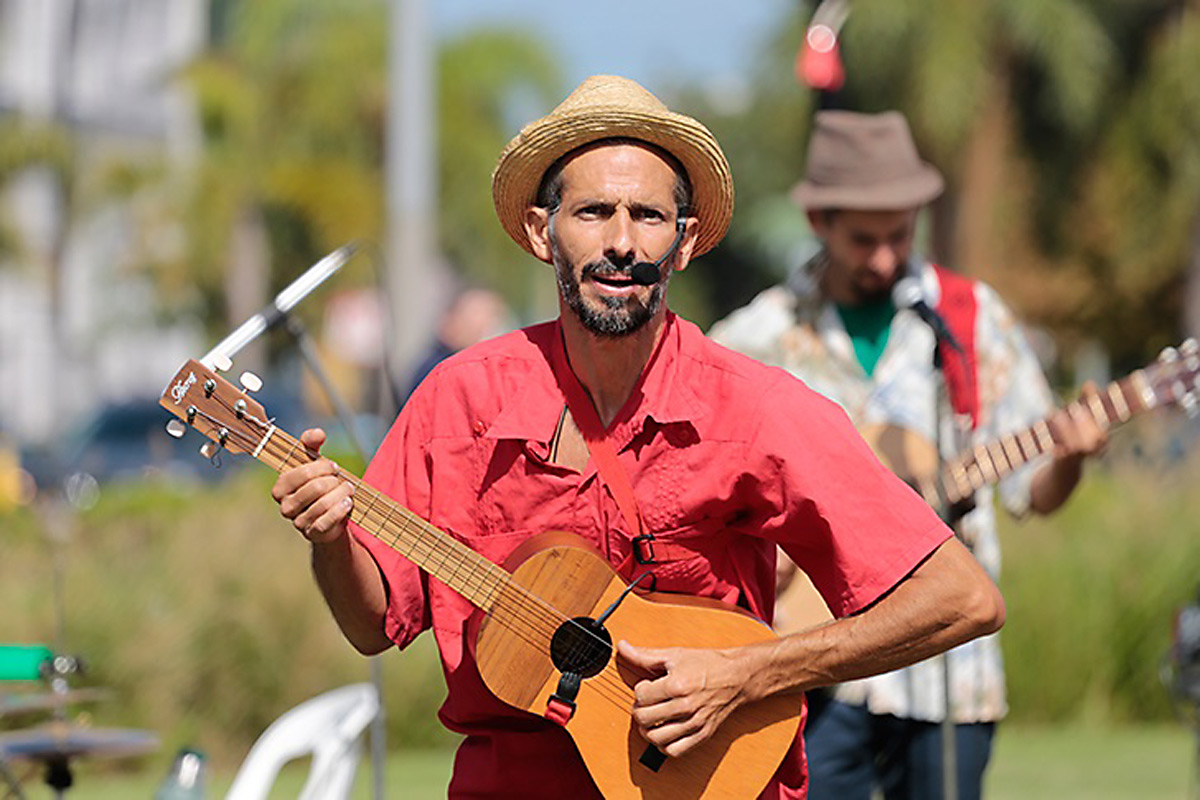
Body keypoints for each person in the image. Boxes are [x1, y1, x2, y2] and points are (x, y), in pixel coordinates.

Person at [271, 77, 1005, 799]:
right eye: (592, 212)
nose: (621, 242)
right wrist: (330, 537)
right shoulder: (460, 400)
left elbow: (961, 598)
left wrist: (750, 673)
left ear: (682, 243)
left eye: (648, 216)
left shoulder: (756, 408)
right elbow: (373, 624)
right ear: (540, 232)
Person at [709, 110, 1108, 799]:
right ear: (819, 221)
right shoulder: (754, 337)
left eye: (901, 234)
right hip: (811, 667)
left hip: (948, 672)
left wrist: (1071, 456)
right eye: (865, 239)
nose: (888, 257)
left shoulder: (968, 320)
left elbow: (1031, 494)